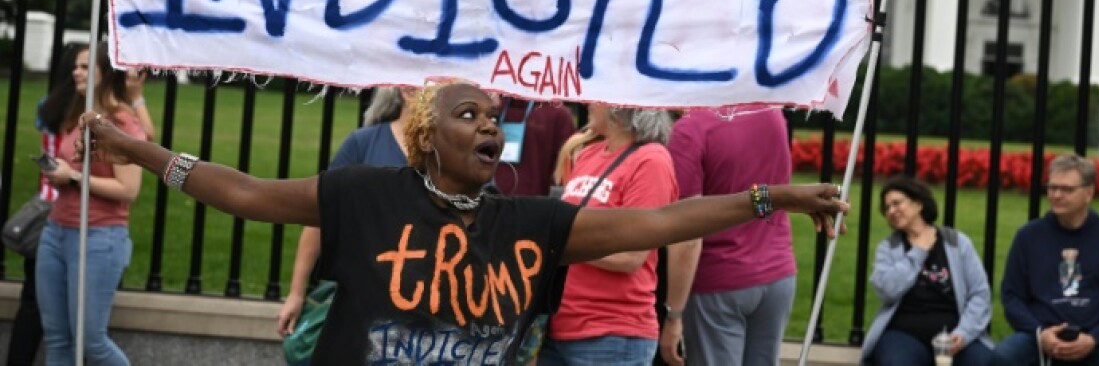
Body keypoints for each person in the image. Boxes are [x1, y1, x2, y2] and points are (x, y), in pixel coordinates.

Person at [77, 79, 848, 365]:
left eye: (497, 116)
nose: (491, 126)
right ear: (424, 135)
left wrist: (773, 198)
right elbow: (243, 192)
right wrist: (134, 151)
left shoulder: (530, 222)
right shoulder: (363, 195)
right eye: (468, 113)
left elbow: (667, 220)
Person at [539, 105, 678, 366]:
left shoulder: (651, 160)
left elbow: (632, 255)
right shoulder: (588, 154)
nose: (589, 103)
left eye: (598, 97)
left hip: (612, 334)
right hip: (558, 327)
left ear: (619, 107)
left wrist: (558, 244)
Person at [658, 106, 798, 366]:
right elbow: (766, 192)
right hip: (777, 272)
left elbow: (688, 234)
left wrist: (673, 314)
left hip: (718, 282)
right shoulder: (770, 112)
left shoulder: (691, 129)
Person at [36, 44, 144, 366]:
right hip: (56, 232)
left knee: (91, 343)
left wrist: (73, 177)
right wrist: (59, 172)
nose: (76, 72)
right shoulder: (78, 114)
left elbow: (129, 189)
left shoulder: (122, 122)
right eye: (76, 67)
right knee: (57, 339)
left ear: (105, 74)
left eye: (85, 67)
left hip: (98, 238)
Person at [276, 86, 412, 338]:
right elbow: (319, 217)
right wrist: (296, 293)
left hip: (424, 303)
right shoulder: (364, 143)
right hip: (360, 297)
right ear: (407, 91)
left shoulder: (452, 151)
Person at [992, 154, 1099, 366]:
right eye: (1052, 188)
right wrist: (1040, 333)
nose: (1057, 195)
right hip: (1038, 337)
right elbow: (1012, 296)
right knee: (1002, 358)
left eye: (1067, 189)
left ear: (1089, 193)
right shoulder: (1028, 236)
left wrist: (1093, 339)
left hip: (1095, 341)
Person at [861, 176, 993, 365]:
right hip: (904, 334)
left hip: (954, 334)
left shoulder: (956, 242)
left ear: (918, 204)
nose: (891, 211)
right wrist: (918, 252)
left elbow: (979, 294)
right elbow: (887, 291)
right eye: (887, 208)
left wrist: (963, 333)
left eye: (897, 203)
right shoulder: (889, 248)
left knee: (983, 361)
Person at [5, 46, 81, 366]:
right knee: (71, 306)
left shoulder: (46, 106)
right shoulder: (84, 111)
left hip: (44, 206)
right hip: (71, 212)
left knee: (32, 300)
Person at [493, 96, 576, 197]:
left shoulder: (557, 113)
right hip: (487, 199)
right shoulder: (493, 107)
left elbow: (565, 171)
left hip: (532, 203)